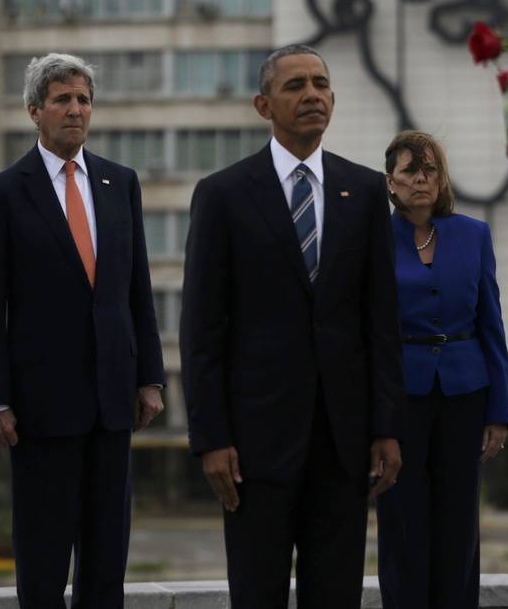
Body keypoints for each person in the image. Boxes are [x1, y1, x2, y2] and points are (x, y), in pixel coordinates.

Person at [180, 44, 405, 608]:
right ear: (263, 104)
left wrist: (386, 426)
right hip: (254, 446)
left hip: (343, 439)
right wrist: (212, 438)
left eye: (321, 84)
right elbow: (202, 329)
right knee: (257, 593)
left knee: (336, 594)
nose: (312, 95)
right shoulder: (223, 195)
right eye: (295, 86)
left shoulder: (367, 192)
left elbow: (381, 320)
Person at [0, 52, 165, 608]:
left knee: (106, 565)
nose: (75, 109)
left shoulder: (120, 183)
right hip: (38, 410)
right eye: (62, 99)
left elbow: (137, 290)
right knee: (43, 562)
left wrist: (150, 376)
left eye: (83, 99)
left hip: (112, 403)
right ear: (35, 111)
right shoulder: (3, 194)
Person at [375, 130, 508, 608]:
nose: (420, 179)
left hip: (464, 391)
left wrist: (499, 411)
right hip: (401, 396)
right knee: (403, 520)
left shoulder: (472, 234)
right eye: (410, 170)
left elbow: (490, 322)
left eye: (429, 170)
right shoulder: (372, 237)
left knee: (458, 523)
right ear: (390, 181)